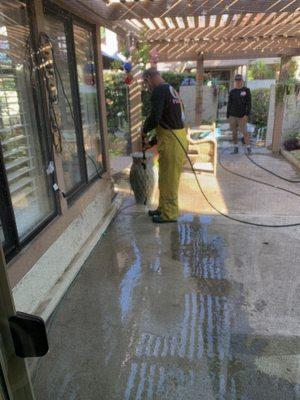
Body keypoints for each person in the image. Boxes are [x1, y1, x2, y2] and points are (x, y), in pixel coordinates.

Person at [142, 68, 188, 224]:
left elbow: (155, 116)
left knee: (170, 180)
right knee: (164, 177)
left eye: (145, 84)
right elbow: (167, 121)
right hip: (174, 138)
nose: (147, 88)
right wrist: (152, 141)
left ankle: (169, 214)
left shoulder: (159, 90)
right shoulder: (170, 89)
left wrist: (144, 129)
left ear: (149, 78)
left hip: (172, 142)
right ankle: (162, 209)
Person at [227, 74, 252, 154]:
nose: (238, 82)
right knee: (234, 132)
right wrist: (228, 115)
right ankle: (236, 148)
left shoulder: (246, 90)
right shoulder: (232, 92)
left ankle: (248, 147)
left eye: (240, 80)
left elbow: (249, 104)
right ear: (235, 81)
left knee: (245, 132)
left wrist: (246, 115)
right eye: (237, 80)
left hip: (242, 116)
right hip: (232, 115)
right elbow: (229, 104)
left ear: (242, 81)